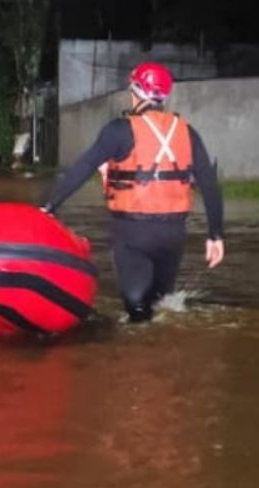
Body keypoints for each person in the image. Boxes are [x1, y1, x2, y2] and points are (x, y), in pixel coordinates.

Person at [41, 62, 225, 323]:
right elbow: (209, 183)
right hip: (173, 235)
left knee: (137, 310)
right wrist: (215, 235)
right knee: (162, 305)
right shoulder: (187, 131)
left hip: (133, 235)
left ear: (135, 91)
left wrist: (47, 206)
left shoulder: (119, 130)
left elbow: (81, 169)